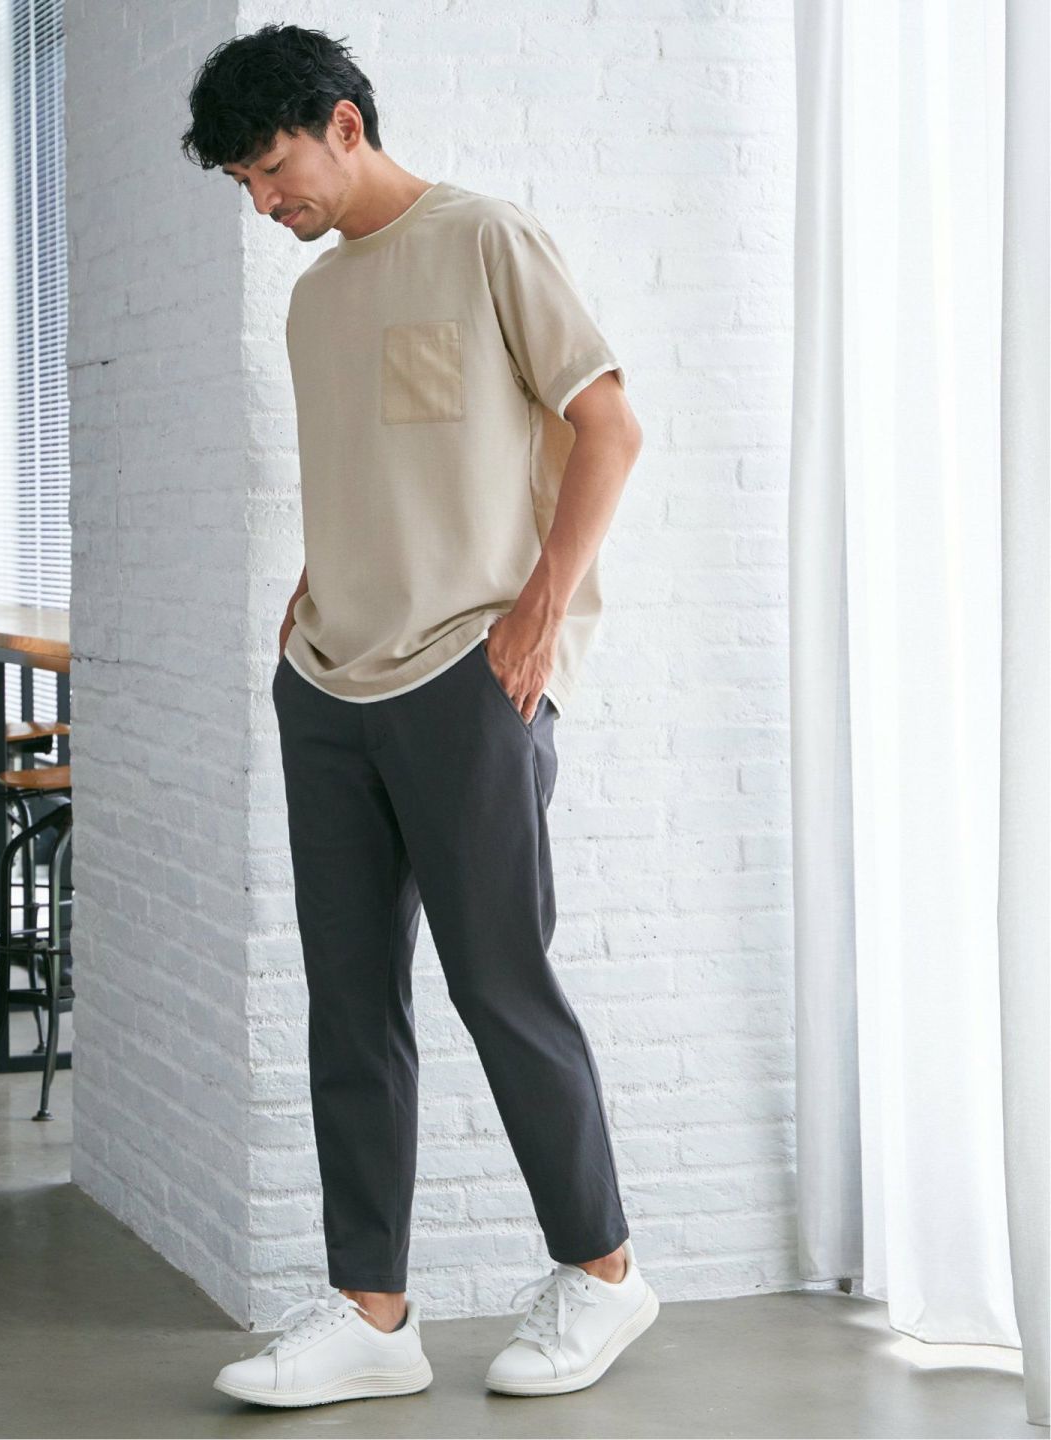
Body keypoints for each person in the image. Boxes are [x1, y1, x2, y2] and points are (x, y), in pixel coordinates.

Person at [181, 22, 657, 1409]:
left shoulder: (485, 238)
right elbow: (378, 471)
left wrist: (543, 607)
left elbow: (610, 424)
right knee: (348, 1001)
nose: (265, 203)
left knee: (500, 982)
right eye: (244, 186)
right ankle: (372, 1312)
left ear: (344, 123)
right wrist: (314, 587)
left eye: (272, 169)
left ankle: (605, 1274)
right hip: (328, 680)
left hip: (469, 671)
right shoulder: (316, 301)